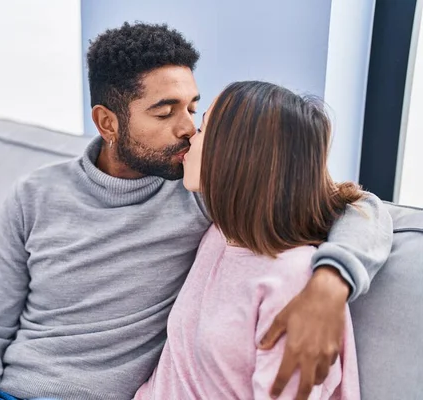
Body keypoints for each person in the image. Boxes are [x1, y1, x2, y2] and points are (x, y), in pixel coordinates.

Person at [0, 23, 391, 400]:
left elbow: (359, 205)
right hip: (1, 389)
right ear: (108, 122)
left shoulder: (205, 197)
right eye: (165, 110)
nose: (189, 128)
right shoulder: (35, 196)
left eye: (194, 107)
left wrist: (330, 282)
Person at [135, 81, 364, 400]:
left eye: (202, 129)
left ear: (236, 154)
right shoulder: (220, 233)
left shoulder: (292, 280)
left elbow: (361, 205)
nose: (189, 137)